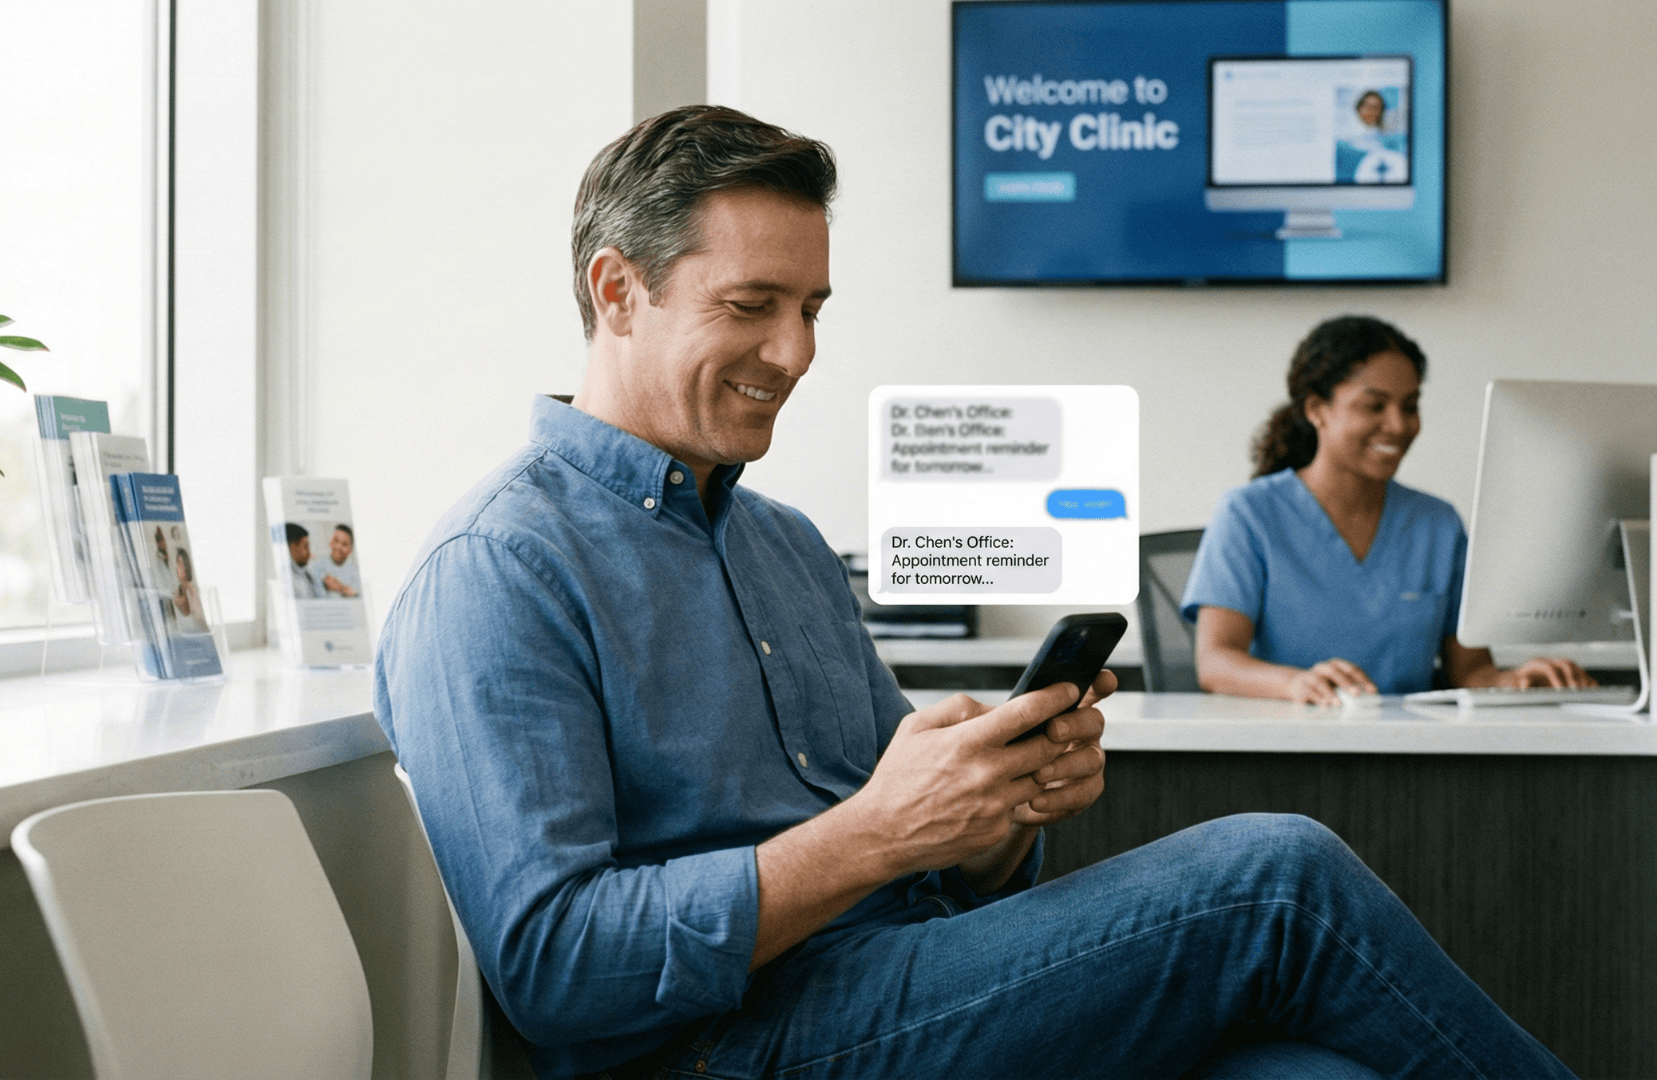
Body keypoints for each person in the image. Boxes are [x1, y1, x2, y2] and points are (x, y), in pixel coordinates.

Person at [374, 107, 1573, 1079]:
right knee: (1280, 877)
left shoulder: (786, 546)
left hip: (908, 987)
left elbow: (930, 864)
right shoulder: (497, 568)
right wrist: (874, 835)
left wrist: (996, 822)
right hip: (718, 1046)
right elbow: (553, 969)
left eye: (812, 310)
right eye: (751, 306)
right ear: (617, 291)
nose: (797, 354)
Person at [1184, 315, 1593, 705]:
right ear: (1316, 410)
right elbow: (1216, 663)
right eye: (1374, 406)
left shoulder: (1438, 525)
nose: (1398, 425)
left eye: (1410, 406)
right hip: (1286, 740)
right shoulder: (1249, 515)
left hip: (1408, 747)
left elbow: (1470, 671)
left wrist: (1517, 680)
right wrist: (1296, 684)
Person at [282, 522, 323, 599]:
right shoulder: (289, 581)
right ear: (293, 548)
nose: (309, 553)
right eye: (306, 546)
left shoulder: (305, 575)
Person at [320, 524, 360, 598]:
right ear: (331, 542)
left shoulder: (356, 573)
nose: (338, 547)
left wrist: (340, 588)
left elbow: (360, 596)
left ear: (350, 550)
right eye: (336, 540)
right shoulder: (317, 565)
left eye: (344, 544)